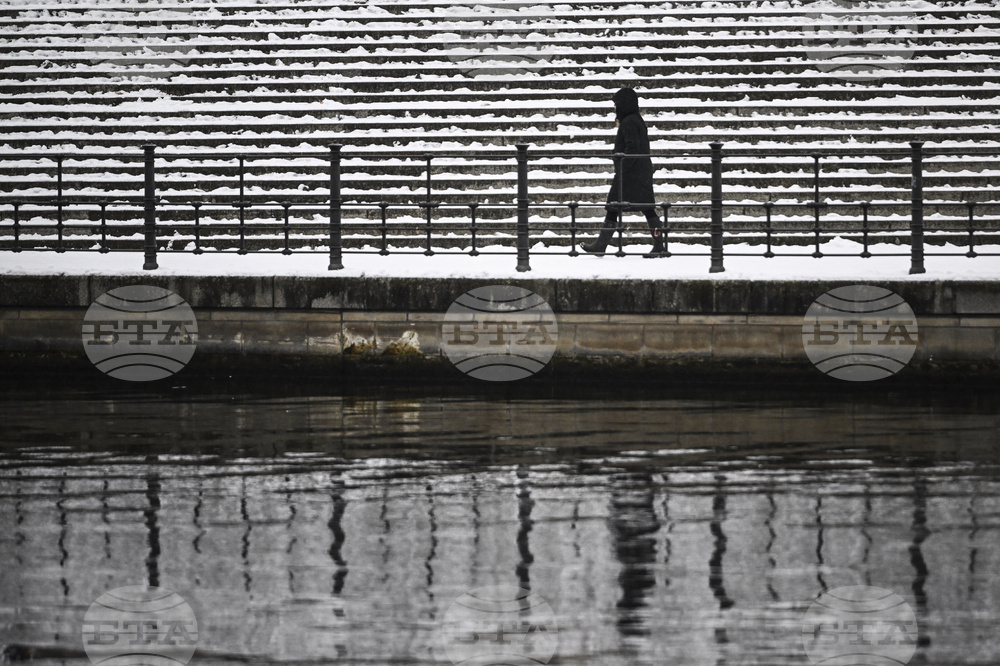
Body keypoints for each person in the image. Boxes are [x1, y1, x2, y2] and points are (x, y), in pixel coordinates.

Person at [581, 87, 665, 258]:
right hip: (638, 171)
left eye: (616, 104)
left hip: (630, 173)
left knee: (623, 206)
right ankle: (658, 245)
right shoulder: (634, 119)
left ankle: (601, 245)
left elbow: (632, 147)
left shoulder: (629, 122)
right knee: (641, 208)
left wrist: (622, 168)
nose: (614, 107)